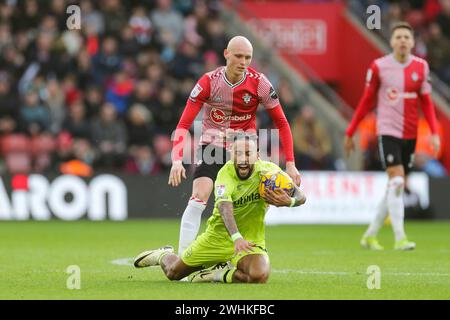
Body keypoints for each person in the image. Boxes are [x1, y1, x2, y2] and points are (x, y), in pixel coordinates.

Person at [169, 35, 301, 255]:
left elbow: (282, 122)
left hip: (244, 149)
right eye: (238, 56)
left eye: (248, 57)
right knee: (200, 196)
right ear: (226, 54)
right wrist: (176, 160)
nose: (243, 62)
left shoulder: (259, 83)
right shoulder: (208, 81)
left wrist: (290, 163)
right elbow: (184, 123)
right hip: (212, 145)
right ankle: (183, 259)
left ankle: (242, 252)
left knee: (253, 202)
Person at [134, 135, 306, 283]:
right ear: (232, 155)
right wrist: (236, 238)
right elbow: (225, 208)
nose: (243, 159)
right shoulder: (225, 175)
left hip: (250, 240)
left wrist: (289, 202)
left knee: (259, 276)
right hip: (217, 238)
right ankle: (163, 254)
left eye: (248, 154)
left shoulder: (269, 173)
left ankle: (216, 274)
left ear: (257, 156)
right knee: (174, 273)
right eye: (238, 153)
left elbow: (301, 196)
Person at [344, 22, 440, 251]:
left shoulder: (421, 67)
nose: (403, 40)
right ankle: (400, 238)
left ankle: (370, 235)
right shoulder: (379, 67)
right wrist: (351, 131)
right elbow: (367, 100)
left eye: (407, 37)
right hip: (387, 131)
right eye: (399, 36)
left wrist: (435, 132)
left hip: (410, 134)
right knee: (397, 181)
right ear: (392, 41)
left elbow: (426, 102)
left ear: (413, 42)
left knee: (394, 186)